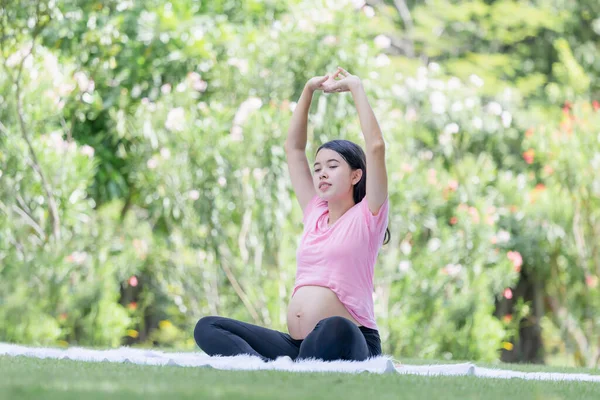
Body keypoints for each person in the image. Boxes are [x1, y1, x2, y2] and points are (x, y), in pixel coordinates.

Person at [194, 66, 390, 362]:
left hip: (350, 337)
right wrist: (308, 91)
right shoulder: (314, 212)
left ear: (355, 176)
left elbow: (375, 147)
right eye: (318, 168)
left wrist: (356, 87)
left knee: (334, 327)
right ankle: (263, 371)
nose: (322, 173)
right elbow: (293, 148)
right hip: (299, 345)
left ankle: (296, 367)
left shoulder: (369, 216)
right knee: (208, 327)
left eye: (333, 166)